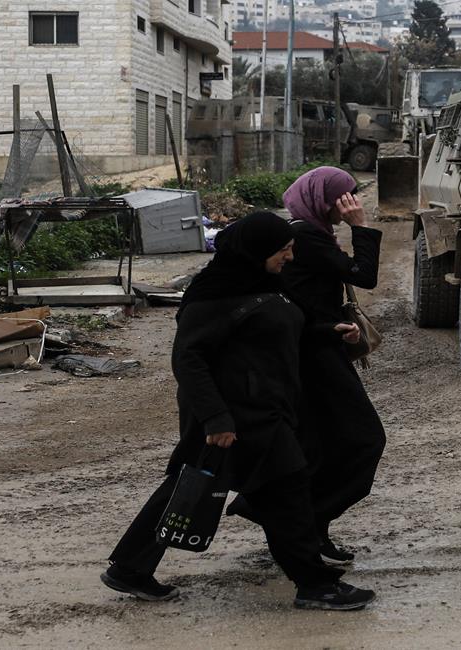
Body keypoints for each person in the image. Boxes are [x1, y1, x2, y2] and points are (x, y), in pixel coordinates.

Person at [102, 211, 375, 611]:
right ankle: (314, 584)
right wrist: (216, 418)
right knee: (286, 488)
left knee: (186, 491)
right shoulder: (212, 295)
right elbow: (188, 360)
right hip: (231, 416)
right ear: (257, 250)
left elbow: (283, 330)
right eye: (283, 250)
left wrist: (326, 331)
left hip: (261, 409)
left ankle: (129, 567)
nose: (290, 258)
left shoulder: (266, 283)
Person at [277, 166, 386, 564]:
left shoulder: (311, 233)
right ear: (324, 200)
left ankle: (311, 530)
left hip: (322, 345)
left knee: (323, 445)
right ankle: (308, 523)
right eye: (345, 197)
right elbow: (365, 275)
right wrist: (361, 225)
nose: (351, 203)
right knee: (364, 439)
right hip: (315, 356)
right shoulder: (306, 236)